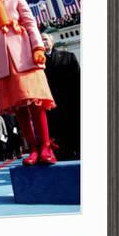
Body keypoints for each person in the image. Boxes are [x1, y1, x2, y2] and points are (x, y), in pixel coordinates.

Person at [0, 0, 56, 166]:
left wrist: (38, 47)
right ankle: (32, 148)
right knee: (19, 108)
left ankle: (46, 147)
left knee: (36, 104)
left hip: (23, 55)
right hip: (2, 62)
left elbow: (30, 23)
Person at [41, 32, 81, 160]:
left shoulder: (68, 57)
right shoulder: (37, 64)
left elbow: (78, 81)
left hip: (71, 104)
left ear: (52, 41)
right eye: (41, 40)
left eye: (46, 39)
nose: (44, 42)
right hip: (52, 108)